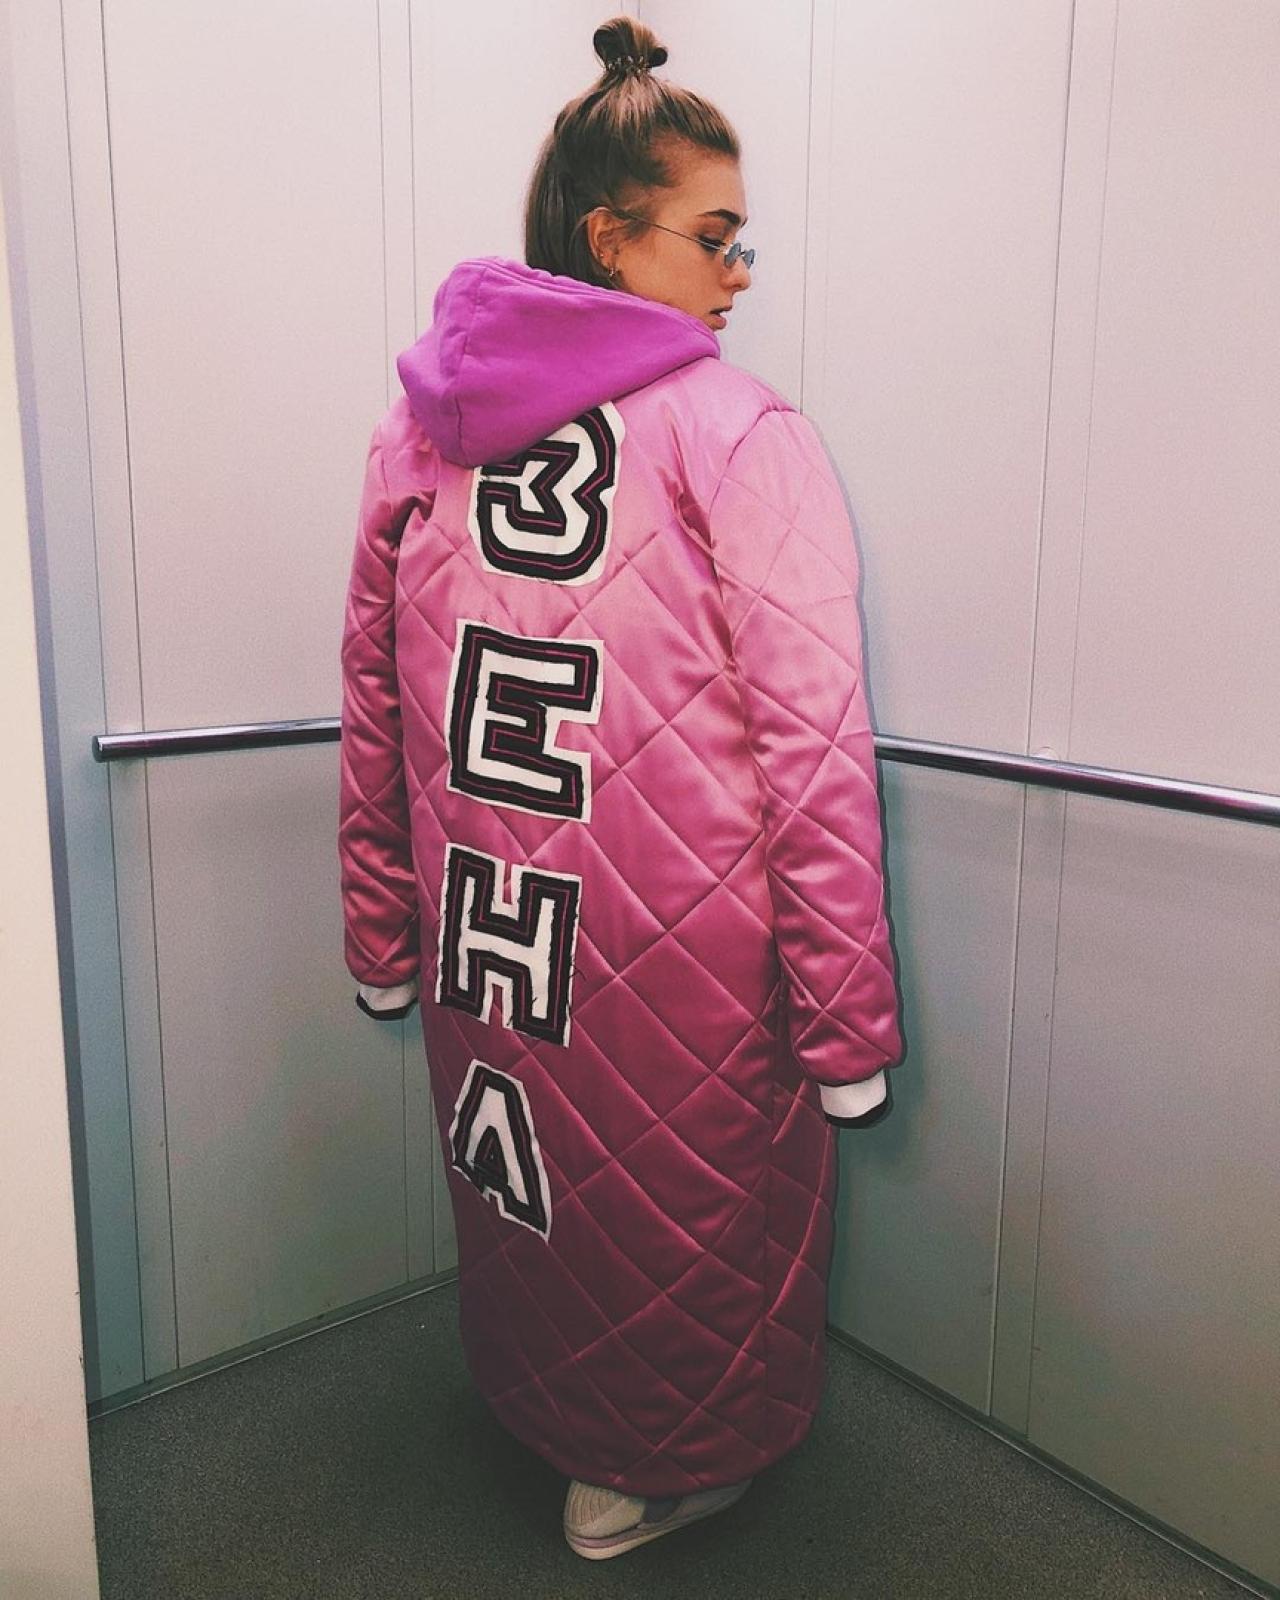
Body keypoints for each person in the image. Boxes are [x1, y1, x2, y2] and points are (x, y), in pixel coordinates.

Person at [338, 14, 904, 1563]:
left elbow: (372, 701)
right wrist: (848, 1025)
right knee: (680, 1219)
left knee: (534, 1190)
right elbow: (812, 744)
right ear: (609, 237)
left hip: (491, 939)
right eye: (714, 238)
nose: (739, 273)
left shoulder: (418, 432)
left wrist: (381, 935)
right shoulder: (740, 431)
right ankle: (656, 1471)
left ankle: (542, 1415)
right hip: (685, 969)